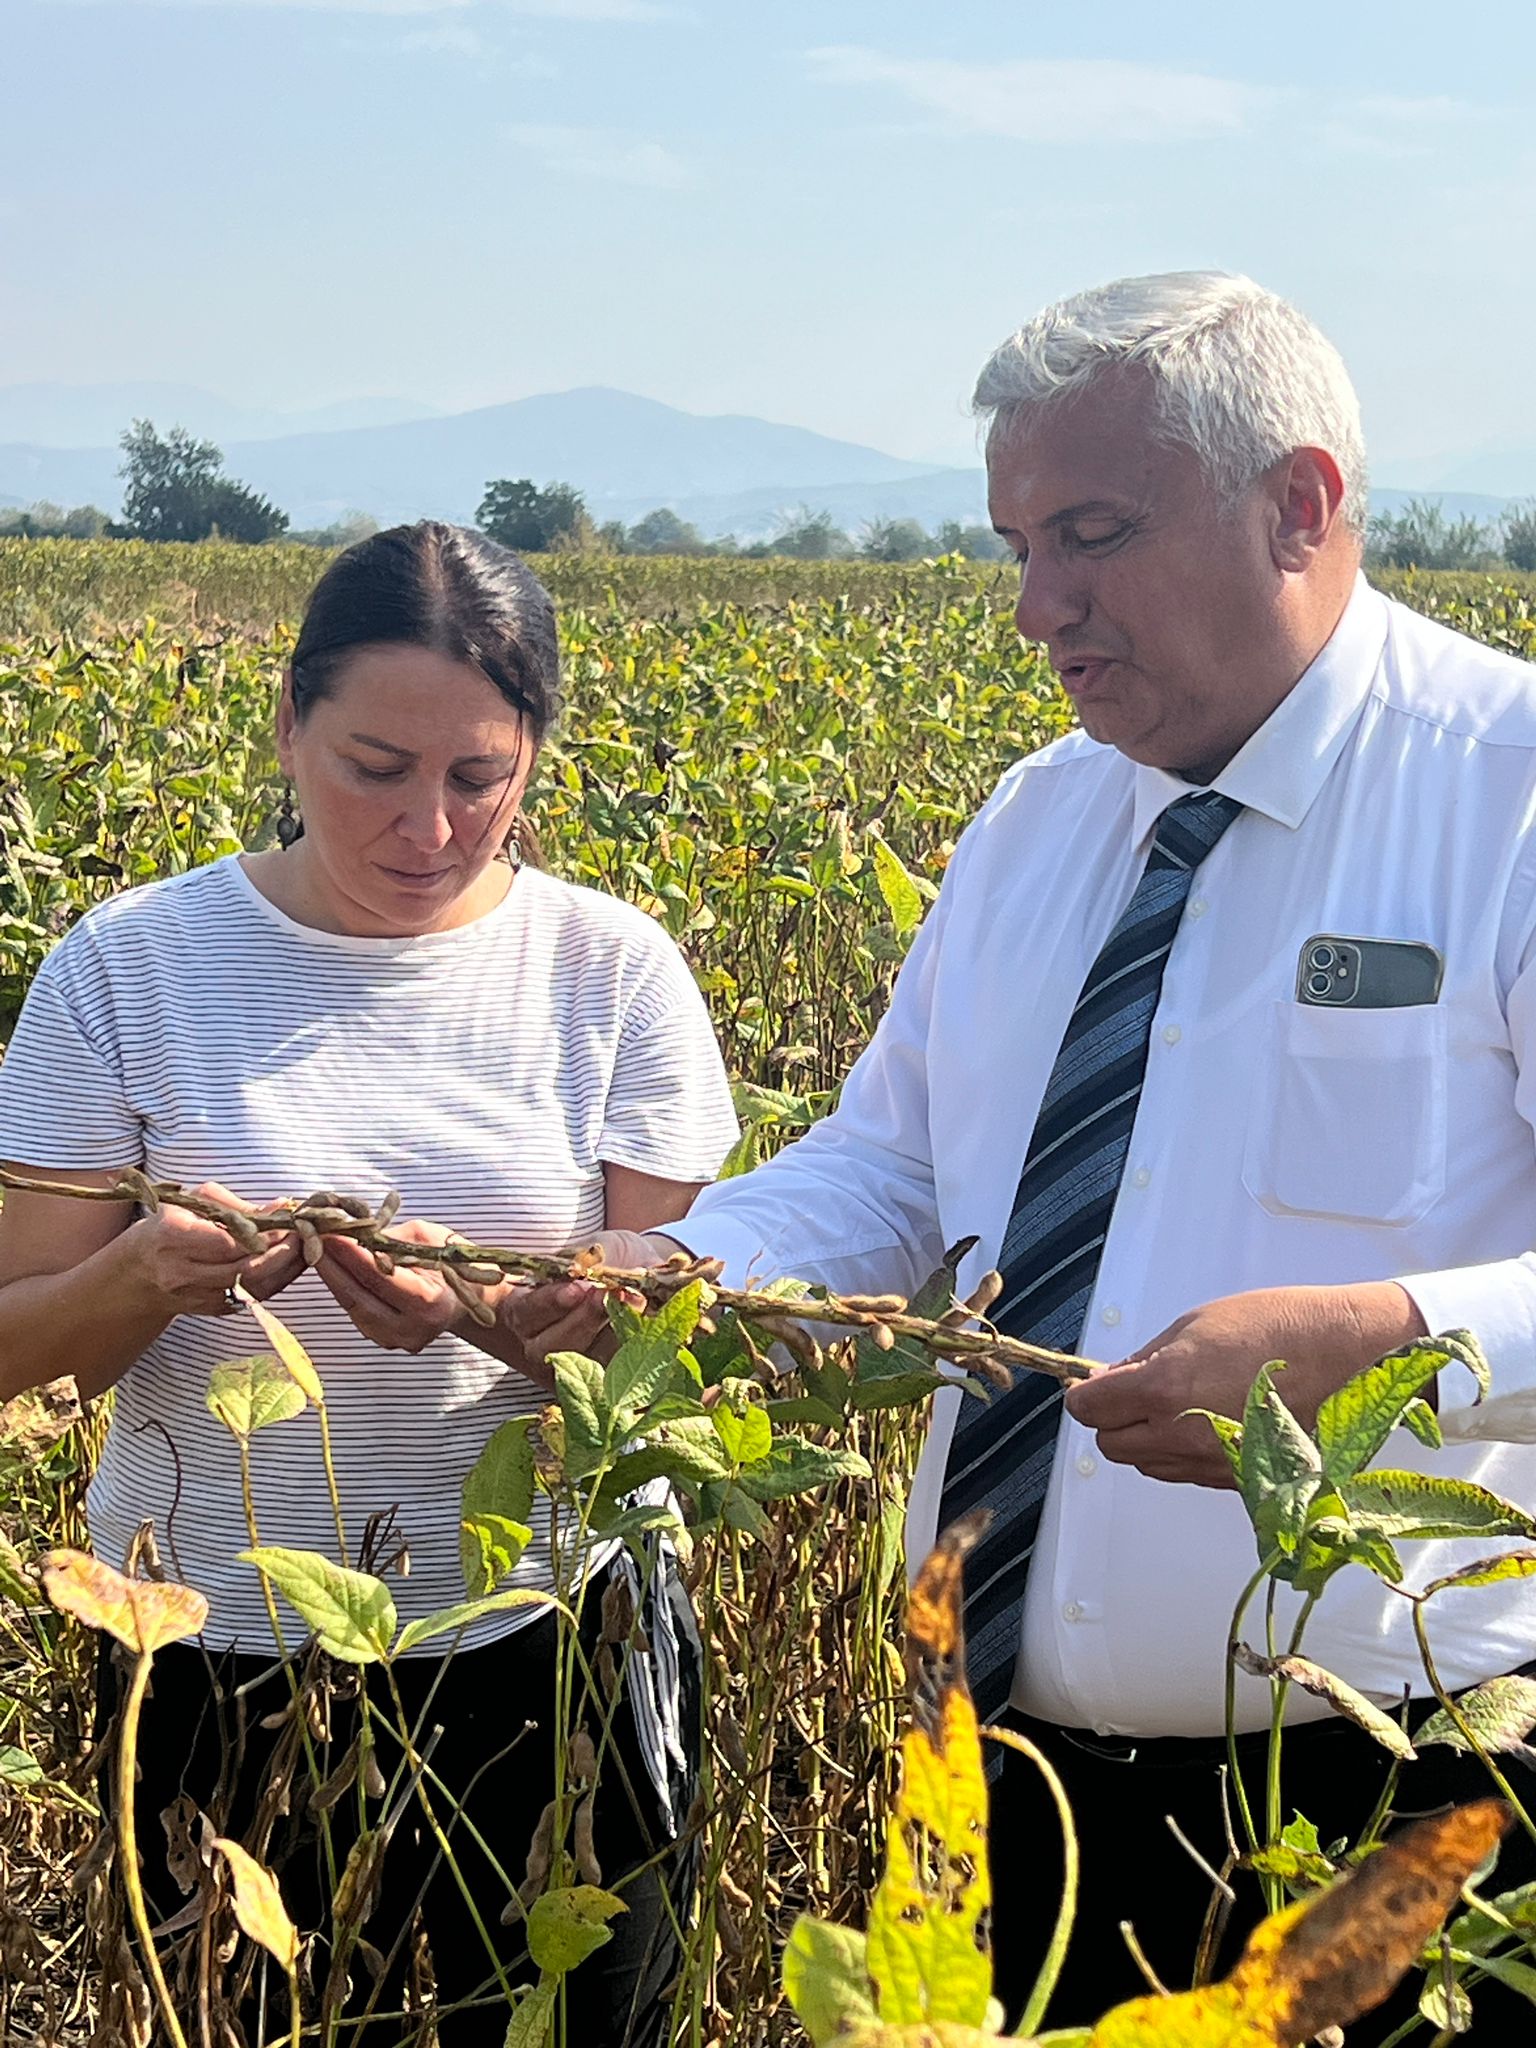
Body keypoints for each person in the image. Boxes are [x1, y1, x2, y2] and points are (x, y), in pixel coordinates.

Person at [518, 275, 1536, 2039]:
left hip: (1384, 1798)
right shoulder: (1040, 816)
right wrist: (676, 1280)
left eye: (1091, 535)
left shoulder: (1504, 795)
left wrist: (1384, 1346)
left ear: (1299, 506)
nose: (1034, 608)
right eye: (1014, 544)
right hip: (978, 1773)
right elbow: (893, 1177)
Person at [0, 522, 739, 2045]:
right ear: (287, 724)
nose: (428, 826)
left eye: (480, 779)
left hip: (557, 1635)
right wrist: (144, 1279)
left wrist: (505, 1323)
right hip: (210, 1646)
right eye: (374, 768)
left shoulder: (612, 972)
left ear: (535, 754)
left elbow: (689, 1357)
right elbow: (13, 1342)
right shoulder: (129, 966)